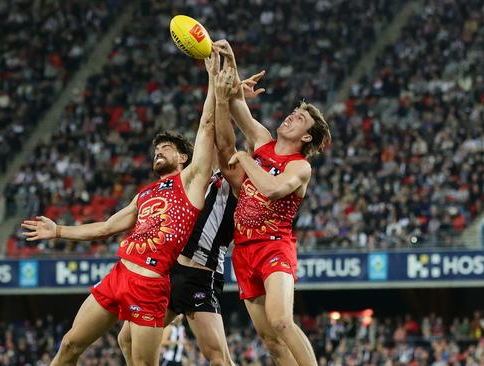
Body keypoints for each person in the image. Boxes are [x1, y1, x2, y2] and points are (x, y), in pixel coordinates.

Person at [20, 68, 216, 365]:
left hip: (150, 287)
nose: (158, 152)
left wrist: (214, 80)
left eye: (166, 148)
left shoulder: (190, 183)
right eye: (156, 150)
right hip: (119, 276)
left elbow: (207, 125)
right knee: (70, 344)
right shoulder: (146, 194)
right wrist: (58, 231)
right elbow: (108, 227)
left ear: (184, 158)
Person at [118, 52, 266, 366]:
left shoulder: (243, 182)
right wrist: (229, 89)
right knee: (126, 337)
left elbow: (230, 136)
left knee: (218, 357)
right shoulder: (206, 175)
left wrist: (230, 94)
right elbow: (211, 130)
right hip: (174, 272)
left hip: (201, 274)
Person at [214, 40, 331, 366]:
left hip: (274, 247)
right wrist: (230, 60)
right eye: (294, 112)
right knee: (270, 341)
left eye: (300, 119)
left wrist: (244, 159)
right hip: (244, 250)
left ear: (306, 137)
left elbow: (274, 189)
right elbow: (234, 102)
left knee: (281, 322)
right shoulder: (263, 140)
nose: (292, 116)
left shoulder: (299, 165)